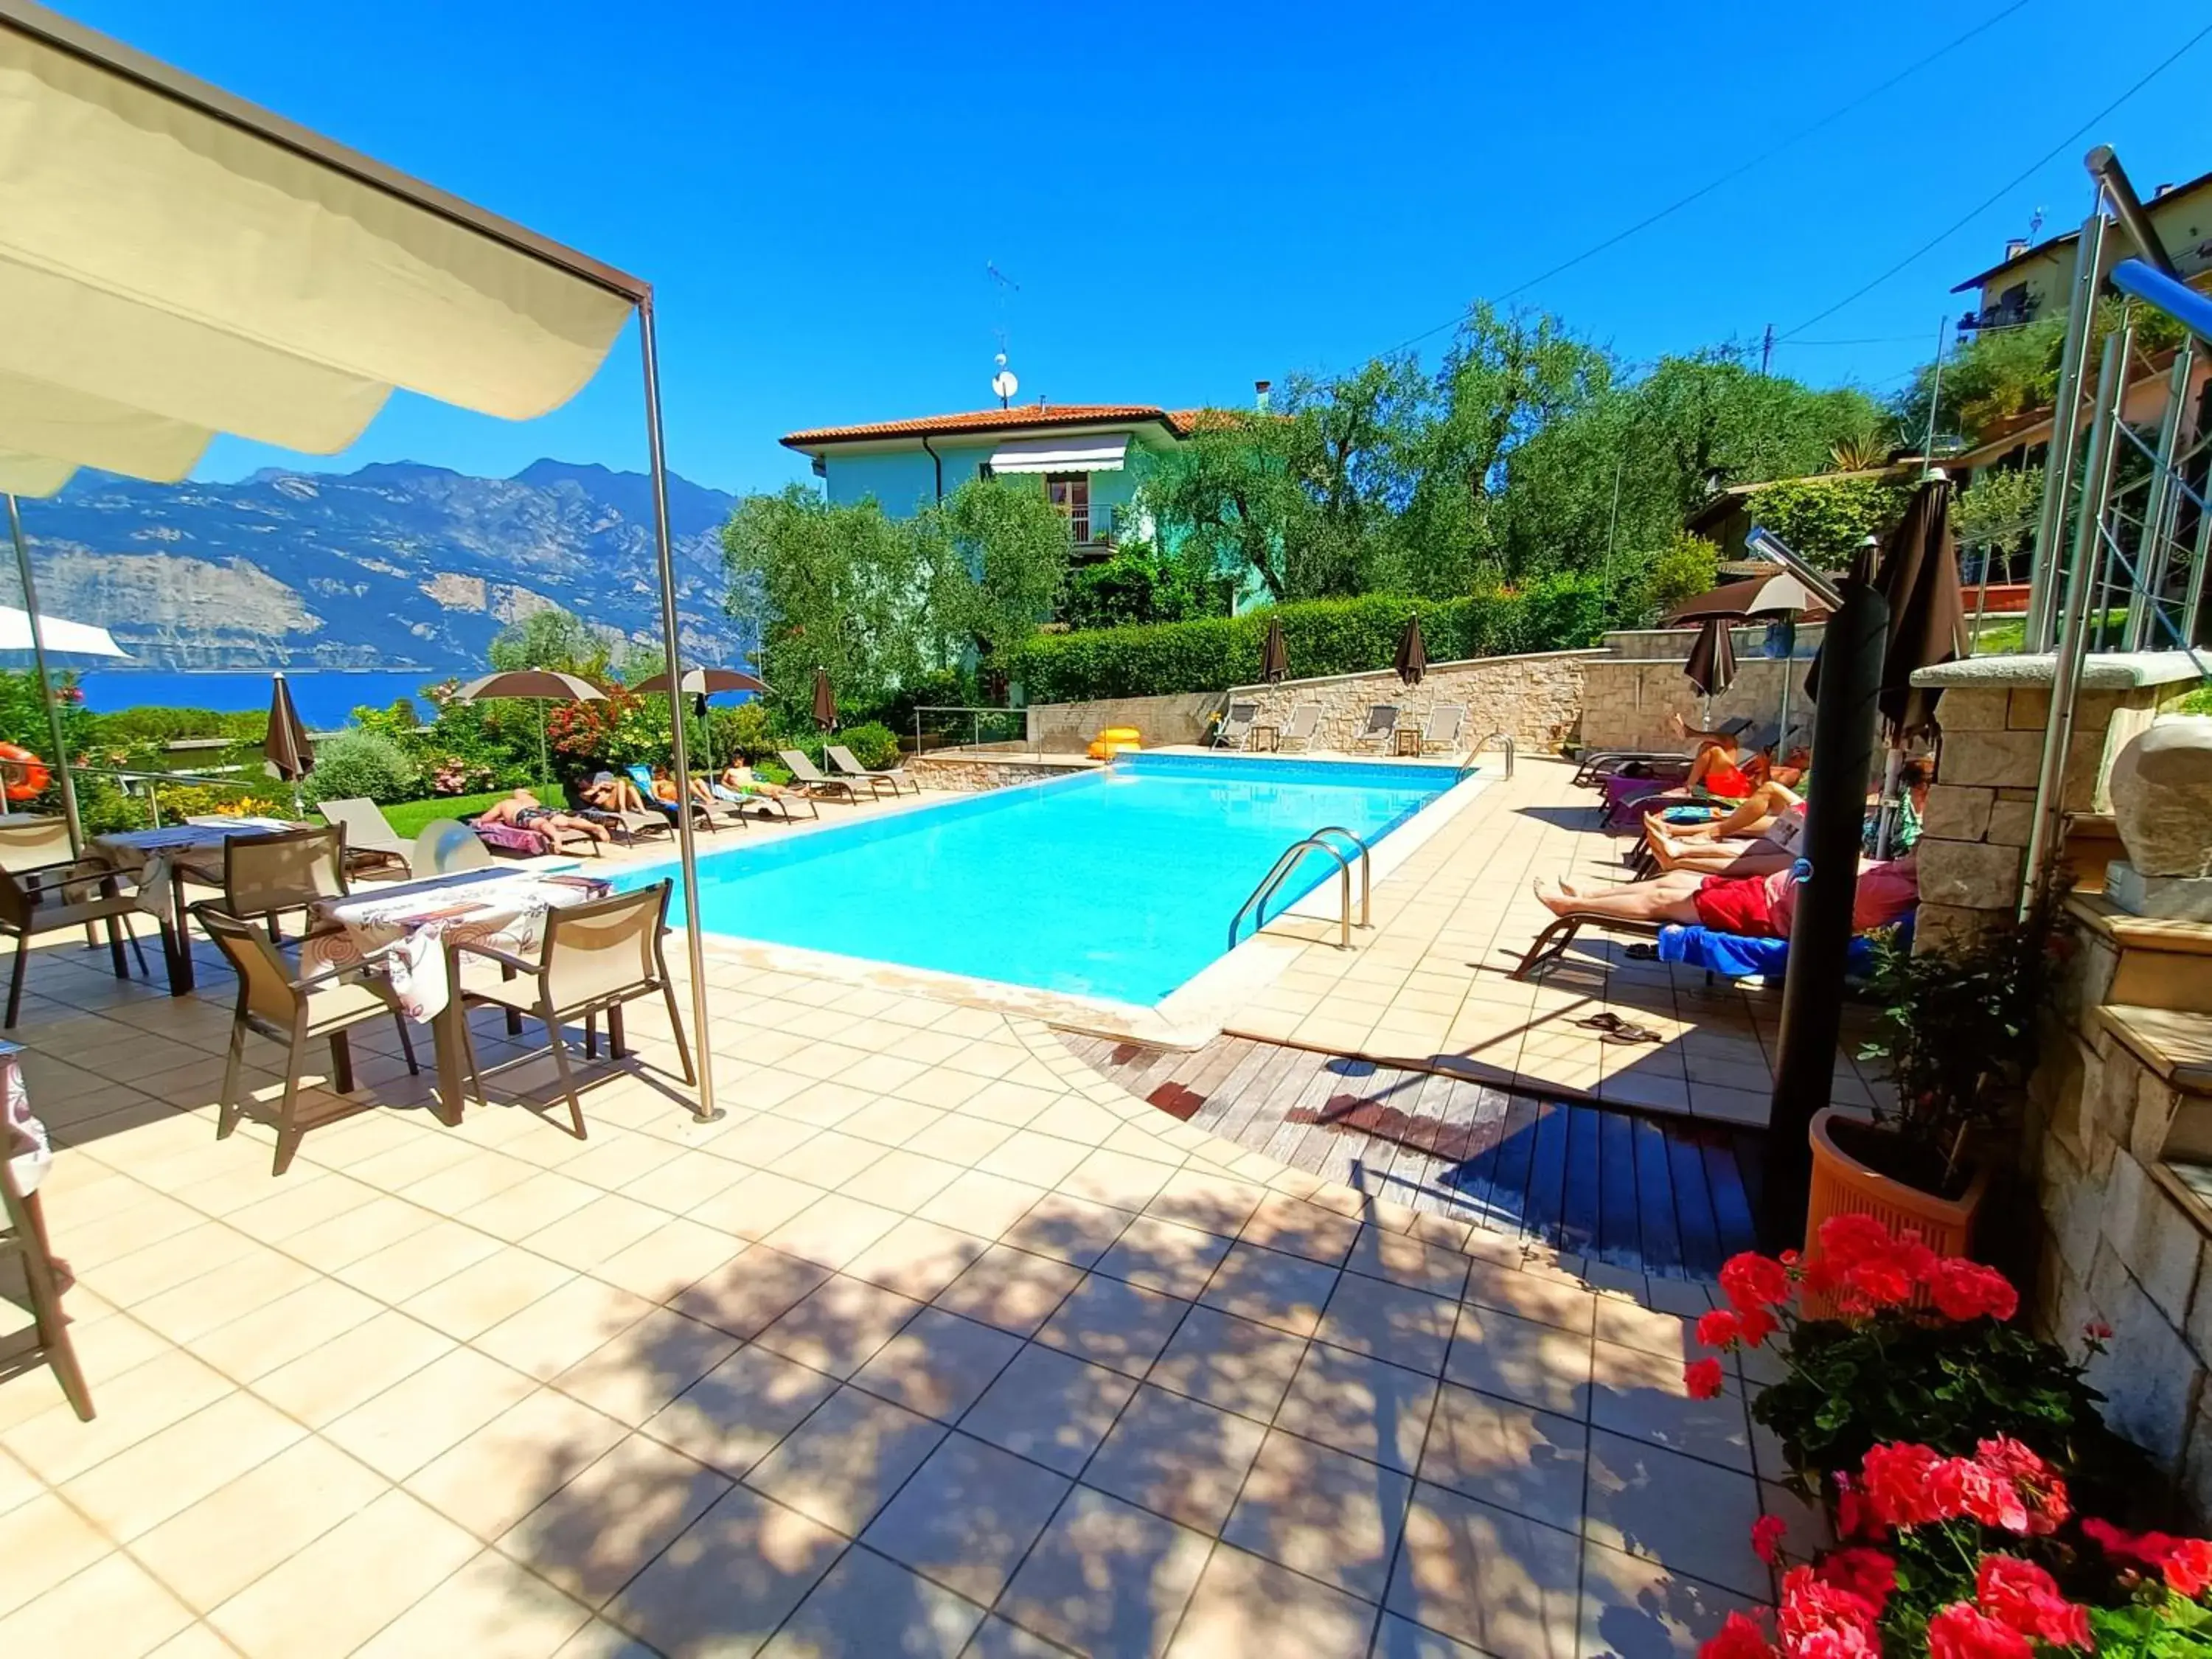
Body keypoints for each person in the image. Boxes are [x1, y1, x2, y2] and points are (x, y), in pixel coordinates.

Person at [1532, 850, 1918, 942]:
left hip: (1766, 913)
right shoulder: (1896, 870)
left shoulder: (1893, 890)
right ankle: (1592, 892)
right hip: (1764, 894)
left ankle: (1570, 907)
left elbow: (1835, 907)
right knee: (1680, 876)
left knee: (1665, 900)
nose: (1917, 845)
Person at [477, 787, 611, 843]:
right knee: (566, 820)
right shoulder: (534, 801)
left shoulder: (506, 803)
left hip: (523, 813)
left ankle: (555, 836)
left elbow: (486, 819)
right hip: (542, 809)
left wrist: (501, 818)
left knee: (540, 823)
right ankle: (595, 827)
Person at [581, 770, 647, 813]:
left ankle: (641, 808)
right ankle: (623, 808)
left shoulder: (598, 786)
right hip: (609, 806)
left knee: (628, 785)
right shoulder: (583, 793)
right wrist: (596, 790)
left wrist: (601, 784)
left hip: (617, 802)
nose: (584, 783)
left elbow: (617, 785)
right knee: (621, 783)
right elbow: (598, 801)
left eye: (585, 781)